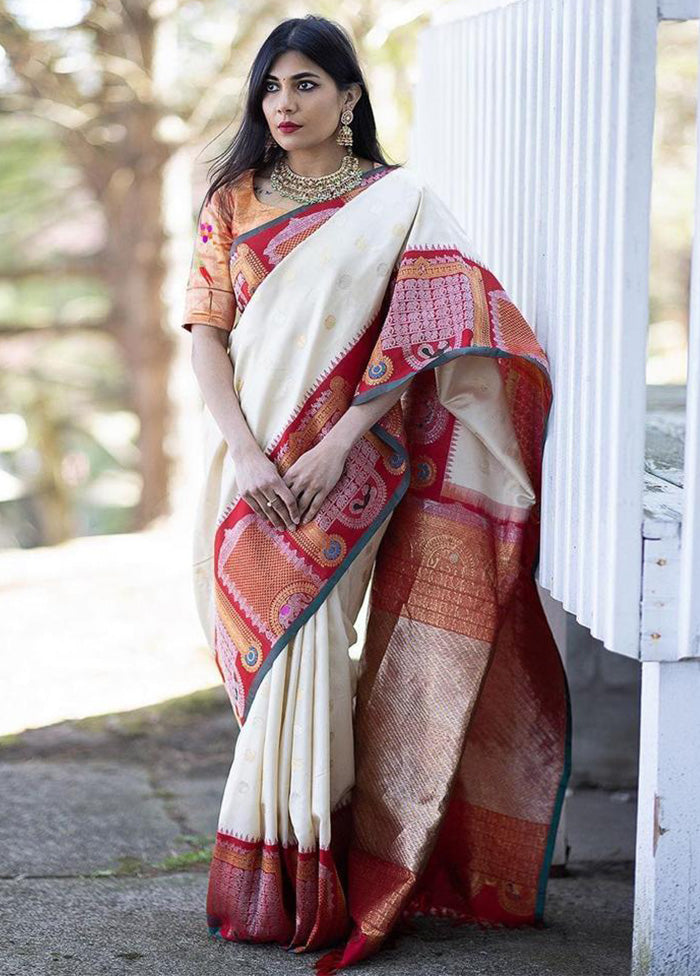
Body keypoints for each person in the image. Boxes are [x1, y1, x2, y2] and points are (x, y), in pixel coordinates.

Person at [181, 14, 571, 976]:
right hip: (247, 465)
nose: (285, 103)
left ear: (350, 94)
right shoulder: (232, 200)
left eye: (307, 83)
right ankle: (280, 862)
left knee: (314, 648)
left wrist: (336, 445)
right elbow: (206, 335)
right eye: (273, 86)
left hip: (345, 464)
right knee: (263, 652)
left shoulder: (399, 202)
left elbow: (428, 335)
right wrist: (247, 455)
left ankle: (310, 879)